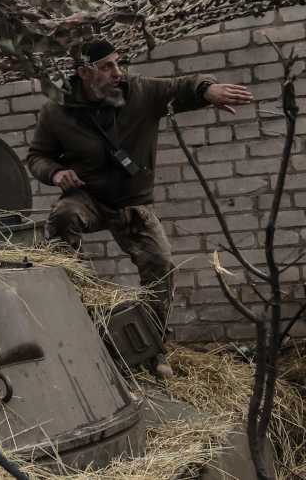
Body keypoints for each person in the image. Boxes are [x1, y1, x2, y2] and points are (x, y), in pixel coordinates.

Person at [26, 40, 253, 377]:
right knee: (63, 216)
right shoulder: (56, 111)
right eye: (107, 66)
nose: (118, 72)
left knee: (161, 267)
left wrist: (208, 90)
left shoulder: (141, 93)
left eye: (119, 64)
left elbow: (182, 86)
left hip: (133, 203)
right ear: (84, 72)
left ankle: (152, 349)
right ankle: (74, 298)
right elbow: (36, 157)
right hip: (88, 198)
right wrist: (55, 172)